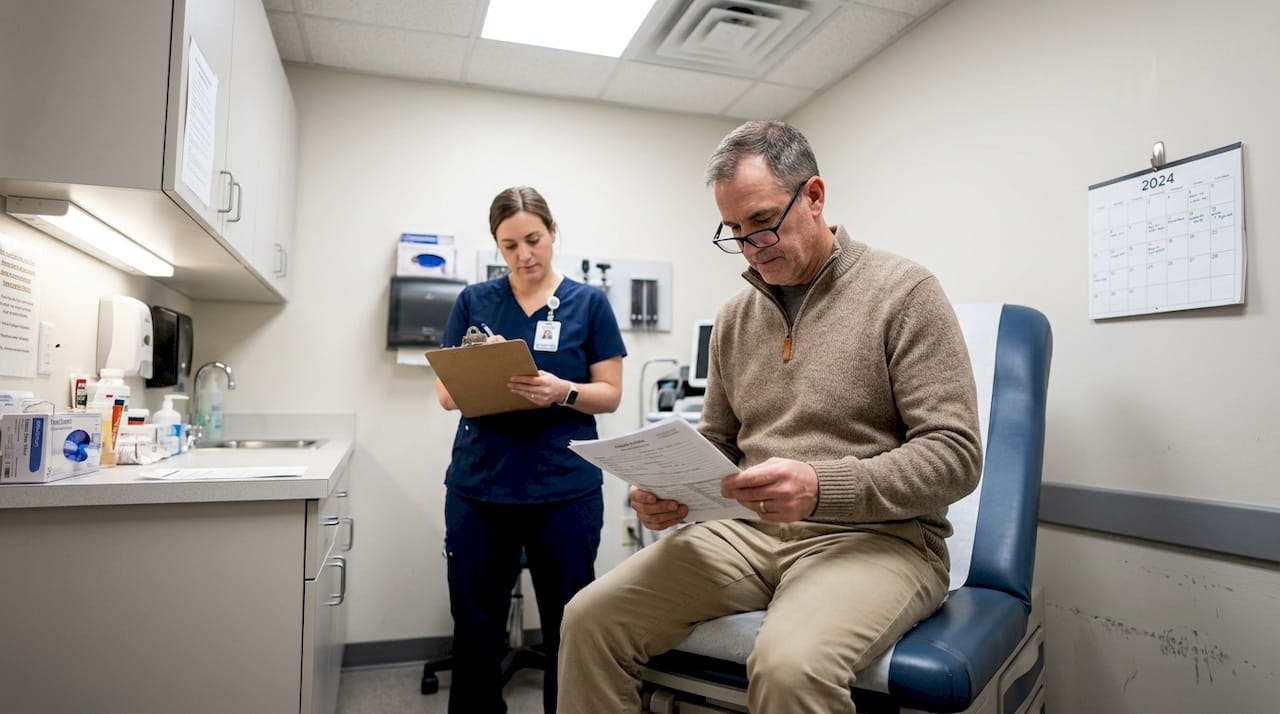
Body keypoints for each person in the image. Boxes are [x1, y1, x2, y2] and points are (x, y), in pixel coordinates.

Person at [557, 121, 982, 713]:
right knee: (589, 619)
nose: (751, 245)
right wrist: (675, 489)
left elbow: (955, 455)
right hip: (744, 532)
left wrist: (820, 488)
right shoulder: (735, 317)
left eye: (761, 221)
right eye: (733, 230)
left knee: (790, 668)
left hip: (877, 538)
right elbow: (719, 442)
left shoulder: (904, 293)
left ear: (813, 196)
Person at [435, 185, 626, 714]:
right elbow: (447, 394)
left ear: (552, 231)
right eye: (510, 245)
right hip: (481, 487)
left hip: (562, 489)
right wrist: (487, 370)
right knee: (475, 627)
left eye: (534, 240)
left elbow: (608, 394)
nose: (524, 256)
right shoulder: (475, 302)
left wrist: (559, 389)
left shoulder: (589, 303)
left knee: (570, 623)